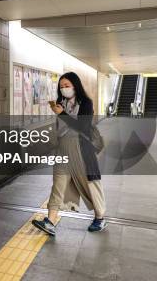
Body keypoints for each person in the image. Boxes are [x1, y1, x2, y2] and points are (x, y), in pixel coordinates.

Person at [32, 72, 107, 236]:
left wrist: (62, 114)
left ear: (75, 85)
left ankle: (100, 217)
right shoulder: (61, 103)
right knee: (58, 185)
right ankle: (50, 221)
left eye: (67, 86)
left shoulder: (86, 103)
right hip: (63, 149)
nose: (64, 89)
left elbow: (82, 126)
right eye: (61, 87)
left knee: (90, 184)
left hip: (82, 150)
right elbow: (60, 128)